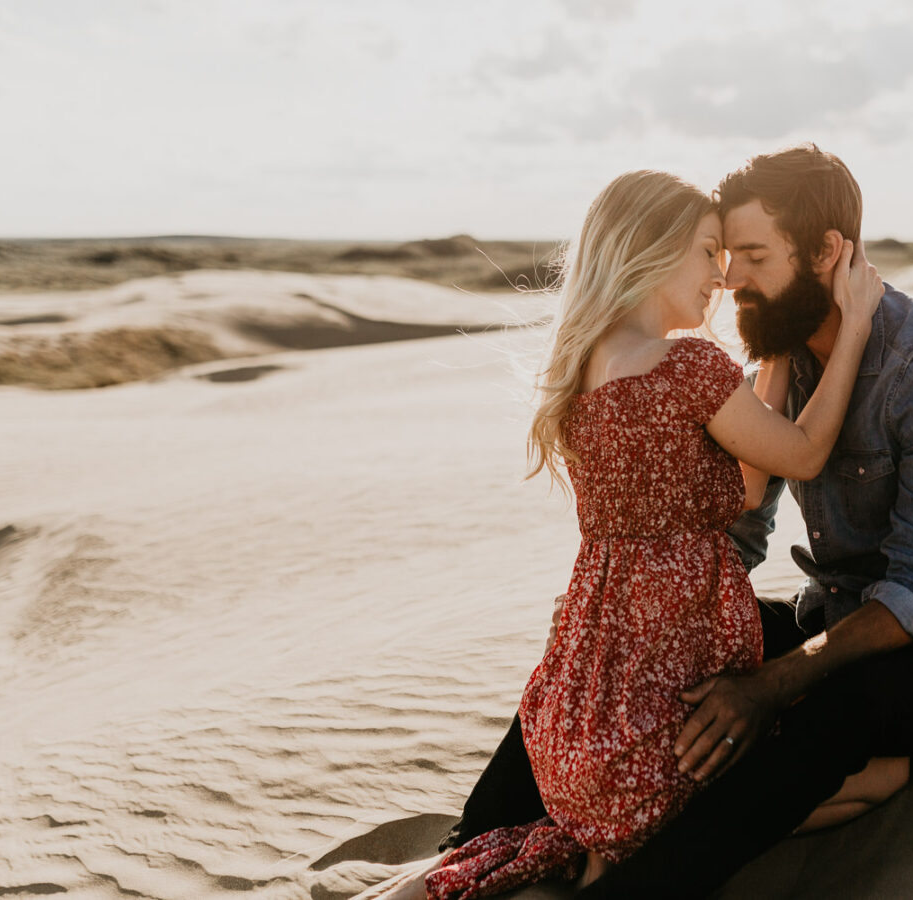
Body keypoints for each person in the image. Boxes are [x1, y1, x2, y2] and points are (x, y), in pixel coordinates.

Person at [434, 145, 913, 899]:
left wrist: (769, 684)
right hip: (826, 618)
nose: (730, 276)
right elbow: (739, 522)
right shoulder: (782, 353)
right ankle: (461, 853)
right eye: (724, 254)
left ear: (828, 253)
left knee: (828, 716)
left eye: (755, 255)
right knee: (582, 674)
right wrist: (636, 635)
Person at [353, 169, 885, 900]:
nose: (722, 276)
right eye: (706, 251)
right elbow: (801, 456)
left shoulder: (584, 370)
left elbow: (748, 482)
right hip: (665, 717)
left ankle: (574, 851)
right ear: (653, 249)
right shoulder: (690, 367)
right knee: (886, 775)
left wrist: (778, 353)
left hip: (583, 719)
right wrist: (853, 327)